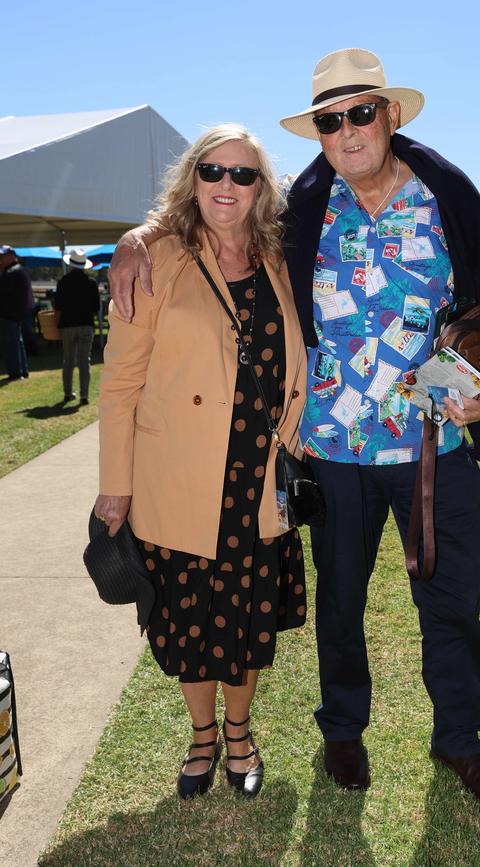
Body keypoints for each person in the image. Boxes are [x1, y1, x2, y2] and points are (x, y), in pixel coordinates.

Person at [109, 49, 480, 807]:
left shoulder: (447, 194)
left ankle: (460, 741)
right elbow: (218, 217)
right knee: (341, 600)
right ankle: (343, 733)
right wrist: (139, 237)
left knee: (454, 601)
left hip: (436, 442)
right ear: (319, 134)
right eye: (331, 119)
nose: (348, 129)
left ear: (391, 115)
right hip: (334, 449)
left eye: (362, 112)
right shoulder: (301, 208)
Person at [95, 123, 307, 801]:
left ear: (262, 188)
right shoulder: (157, 256)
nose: (227, 185)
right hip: (183, 477)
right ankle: (201, 735)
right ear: (192, 179)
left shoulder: (280, 257)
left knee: (247, 621)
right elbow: (121, 383)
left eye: (243, 174)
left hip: (258, 480)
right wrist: (115, 488)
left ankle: (239, 730)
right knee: (190, 623)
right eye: (212, 171)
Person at [54, 250, 100, 404]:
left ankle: (68, 393)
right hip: (86, 324)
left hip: (67, 325)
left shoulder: (63, 282)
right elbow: (96, 308)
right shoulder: (91, 283)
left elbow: (58, 306)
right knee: (84, 361)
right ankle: (84, 395)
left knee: (68, 361)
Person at [0, 245, 30, 381]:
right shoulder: (18, 270)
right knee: (17, 342)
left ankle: (16, 373)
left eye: (3, 256)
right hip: (16, 314)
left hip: (9, 313)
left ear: (11, 256)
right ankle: (22, 371)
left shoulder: (11, 272)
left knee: (11, 344)